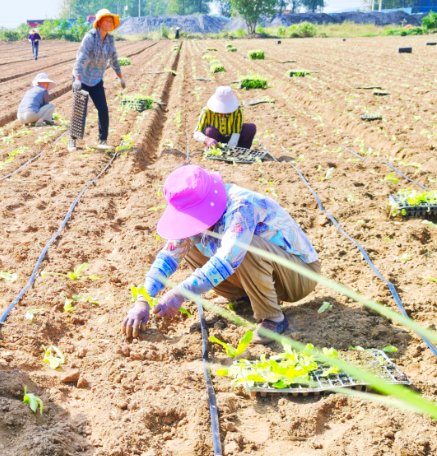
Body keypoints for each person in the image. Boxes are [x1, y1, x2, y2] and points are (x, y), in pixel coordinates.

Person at [122, 165, 321, 344]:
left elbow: (226, 260)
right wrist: (143, 300)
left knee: (244, 247)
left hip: (298, 275)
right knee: (189, 243)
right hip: (266, 273)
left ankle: (273, 317)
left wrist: (179, 294)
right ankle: (243, 297)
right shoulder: (196, 222)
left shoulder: (241, 207)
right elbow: (169, 255)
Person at [70, 8, 127, 152]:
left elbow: (114, 58)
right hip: (82, 77)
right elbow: (81, 57)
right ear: (99, 22)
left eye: (111, 21)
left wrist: (120, 77)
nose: (109, 23)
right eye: (106, 20)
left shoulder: (110, 40)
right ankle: (72, 141)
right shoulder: (90, 37)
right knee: (80, 109)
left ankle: (103, 140)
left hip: (96, 79)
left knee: (103, 109)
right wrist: (77, 79)